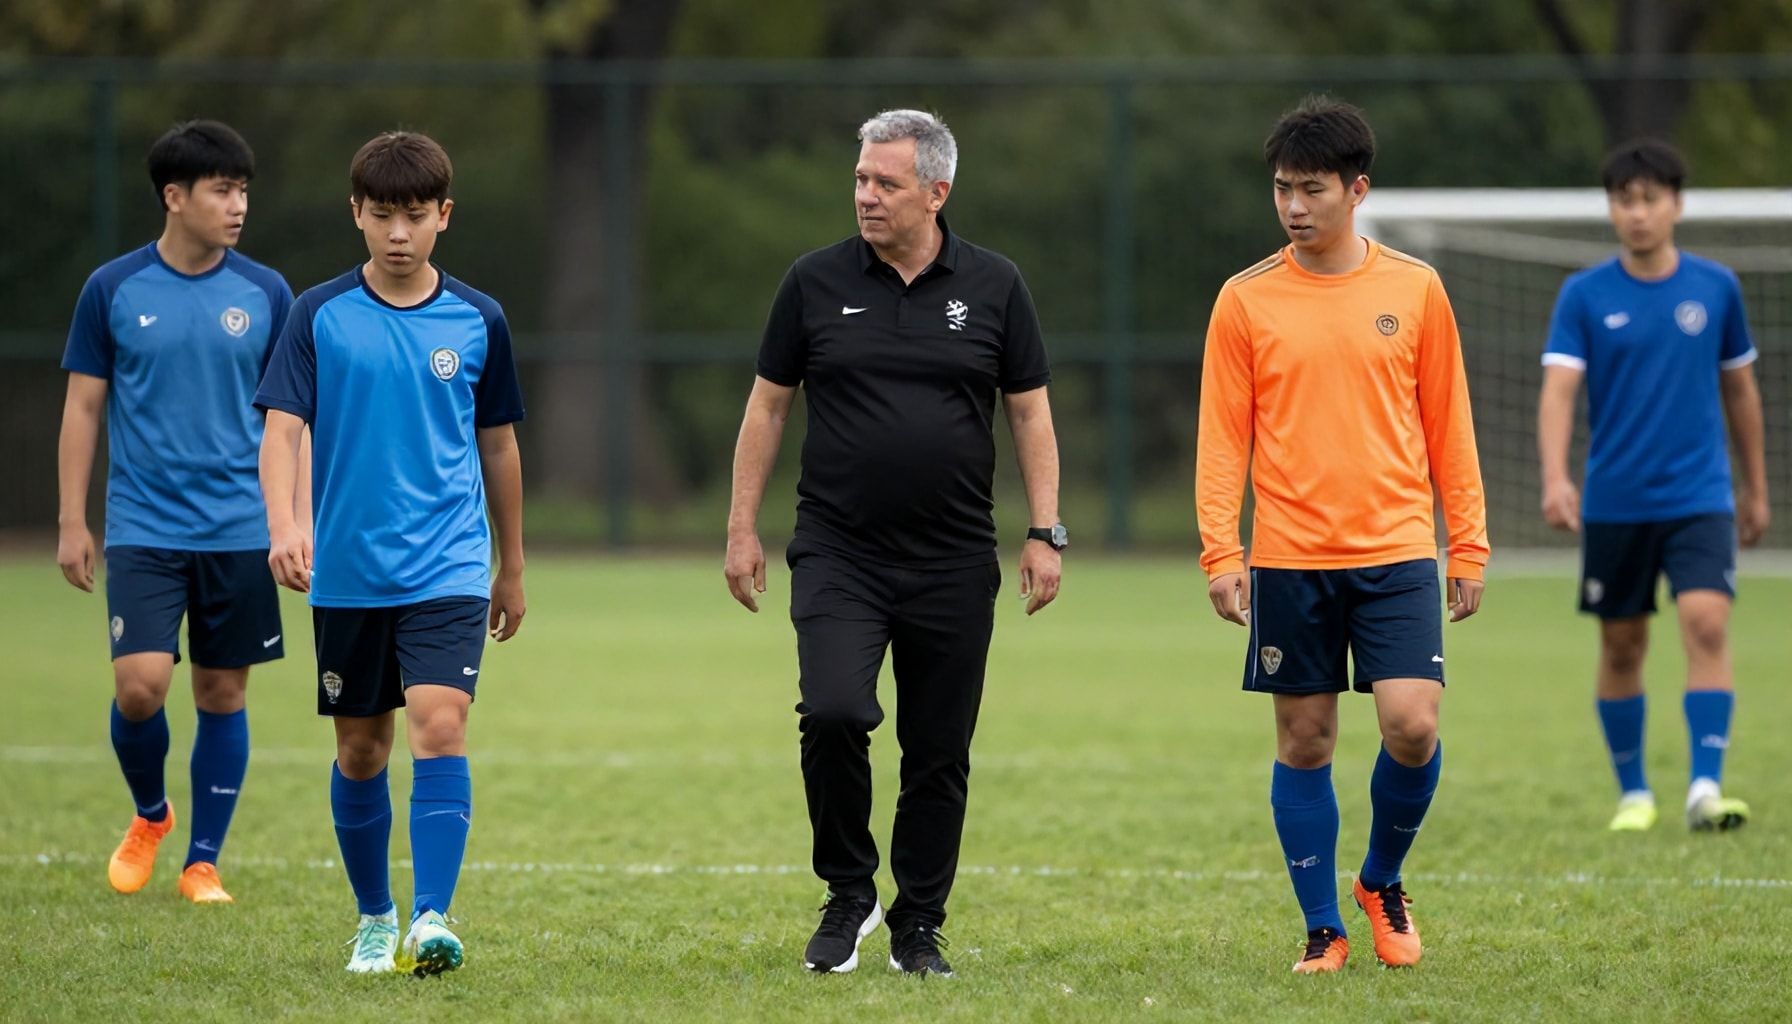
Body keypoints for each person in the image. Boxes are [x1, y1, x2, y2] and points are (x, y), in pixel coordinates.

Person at [724, 109, 1064, 978]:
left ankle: (919, 922)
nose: (865, 196)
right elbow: (768, 404)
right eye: (860, 179)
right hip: (839, 552)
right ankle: (848, 894)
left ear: (936, 192)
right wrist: (740, 528)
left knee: (938, 749)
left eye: (885, 183)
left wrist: (1043, 532)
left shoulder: (995, 285)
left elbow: (1028, 410)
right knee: (833, 712)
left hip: (954, 559)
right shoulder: (812, 281)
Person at [1195, 95, 1488, 973]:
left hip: (1397, 547)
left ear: (1357, 190)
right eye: (1283, 188)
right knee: (1306, 739)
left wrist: (1465, 543)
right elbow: (1223, 438)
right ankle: (1324, 927)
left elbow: (1450, 427)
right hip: (1289, 555)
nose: (1293, 206)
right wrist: (1222, 549)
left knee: (1412, 725)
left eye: (1312, 189)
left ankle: (1381, 880)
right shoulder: (1245, 300)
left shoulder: (1415, 289)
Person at [254, 131, 527, 976]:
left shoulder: (480, 319)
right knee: (361, 751)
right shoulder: (318, 314)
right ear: (357, 216)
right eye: (382, 216)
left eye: (415, 215)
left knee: (440, 725)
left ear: (444, 215)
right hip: (348, 569)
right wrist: (285, 526)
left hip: (447, 562)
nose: (398, 232)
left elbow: (500, 448)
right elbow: (283, 429)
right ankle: (375, 917)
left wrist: (510, 564)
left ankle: (431, 917)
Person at [57, 119, 296, 906]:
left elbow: (292, 421)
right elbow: (84, 409)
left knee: (223, 695)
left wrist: (293, 521)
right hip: (144, 526)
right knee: (140, 688)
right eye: (223, 191)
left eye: (243, 192)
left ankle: (202, 861)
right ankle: (151, 815)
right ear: (174, 196)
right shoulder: (113, 290)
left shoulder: (266, 293)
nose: (237, 207)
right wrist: (70, 520)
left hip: (240, 528)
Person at [1537, 138, 1767, 835]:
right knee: (1623, 645)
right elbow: (1558, 392)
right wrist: (1554, 477)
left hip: (1699, 495)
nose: (1637, 214)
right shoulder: (1583, 294)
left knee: (1706, 621)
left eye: (1650, 200)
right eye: (1623, 201)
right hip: (1615, 500)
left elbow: (1741, 392)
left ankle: (1705, 785)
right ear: (1611, 208)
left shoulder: (1716, 287)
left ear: (1677, 204)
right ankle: (1634, 792)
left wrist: (1756, 488)